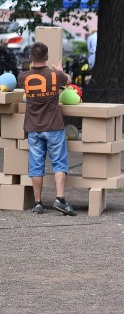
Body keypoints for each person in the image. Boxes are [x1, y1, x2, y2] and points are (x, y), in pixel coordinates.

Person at [18, 42, 75, 216]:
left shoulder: (23, 77)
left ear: (30, 58)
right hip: (54, 127)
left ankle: (37, 203)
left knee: (36, 166)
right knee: (59, 164)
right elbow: (69, 81)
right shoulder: (55, 75)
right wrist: (60, 69)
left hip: (34, 128)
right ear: (47, 57)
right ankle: (60, 200)